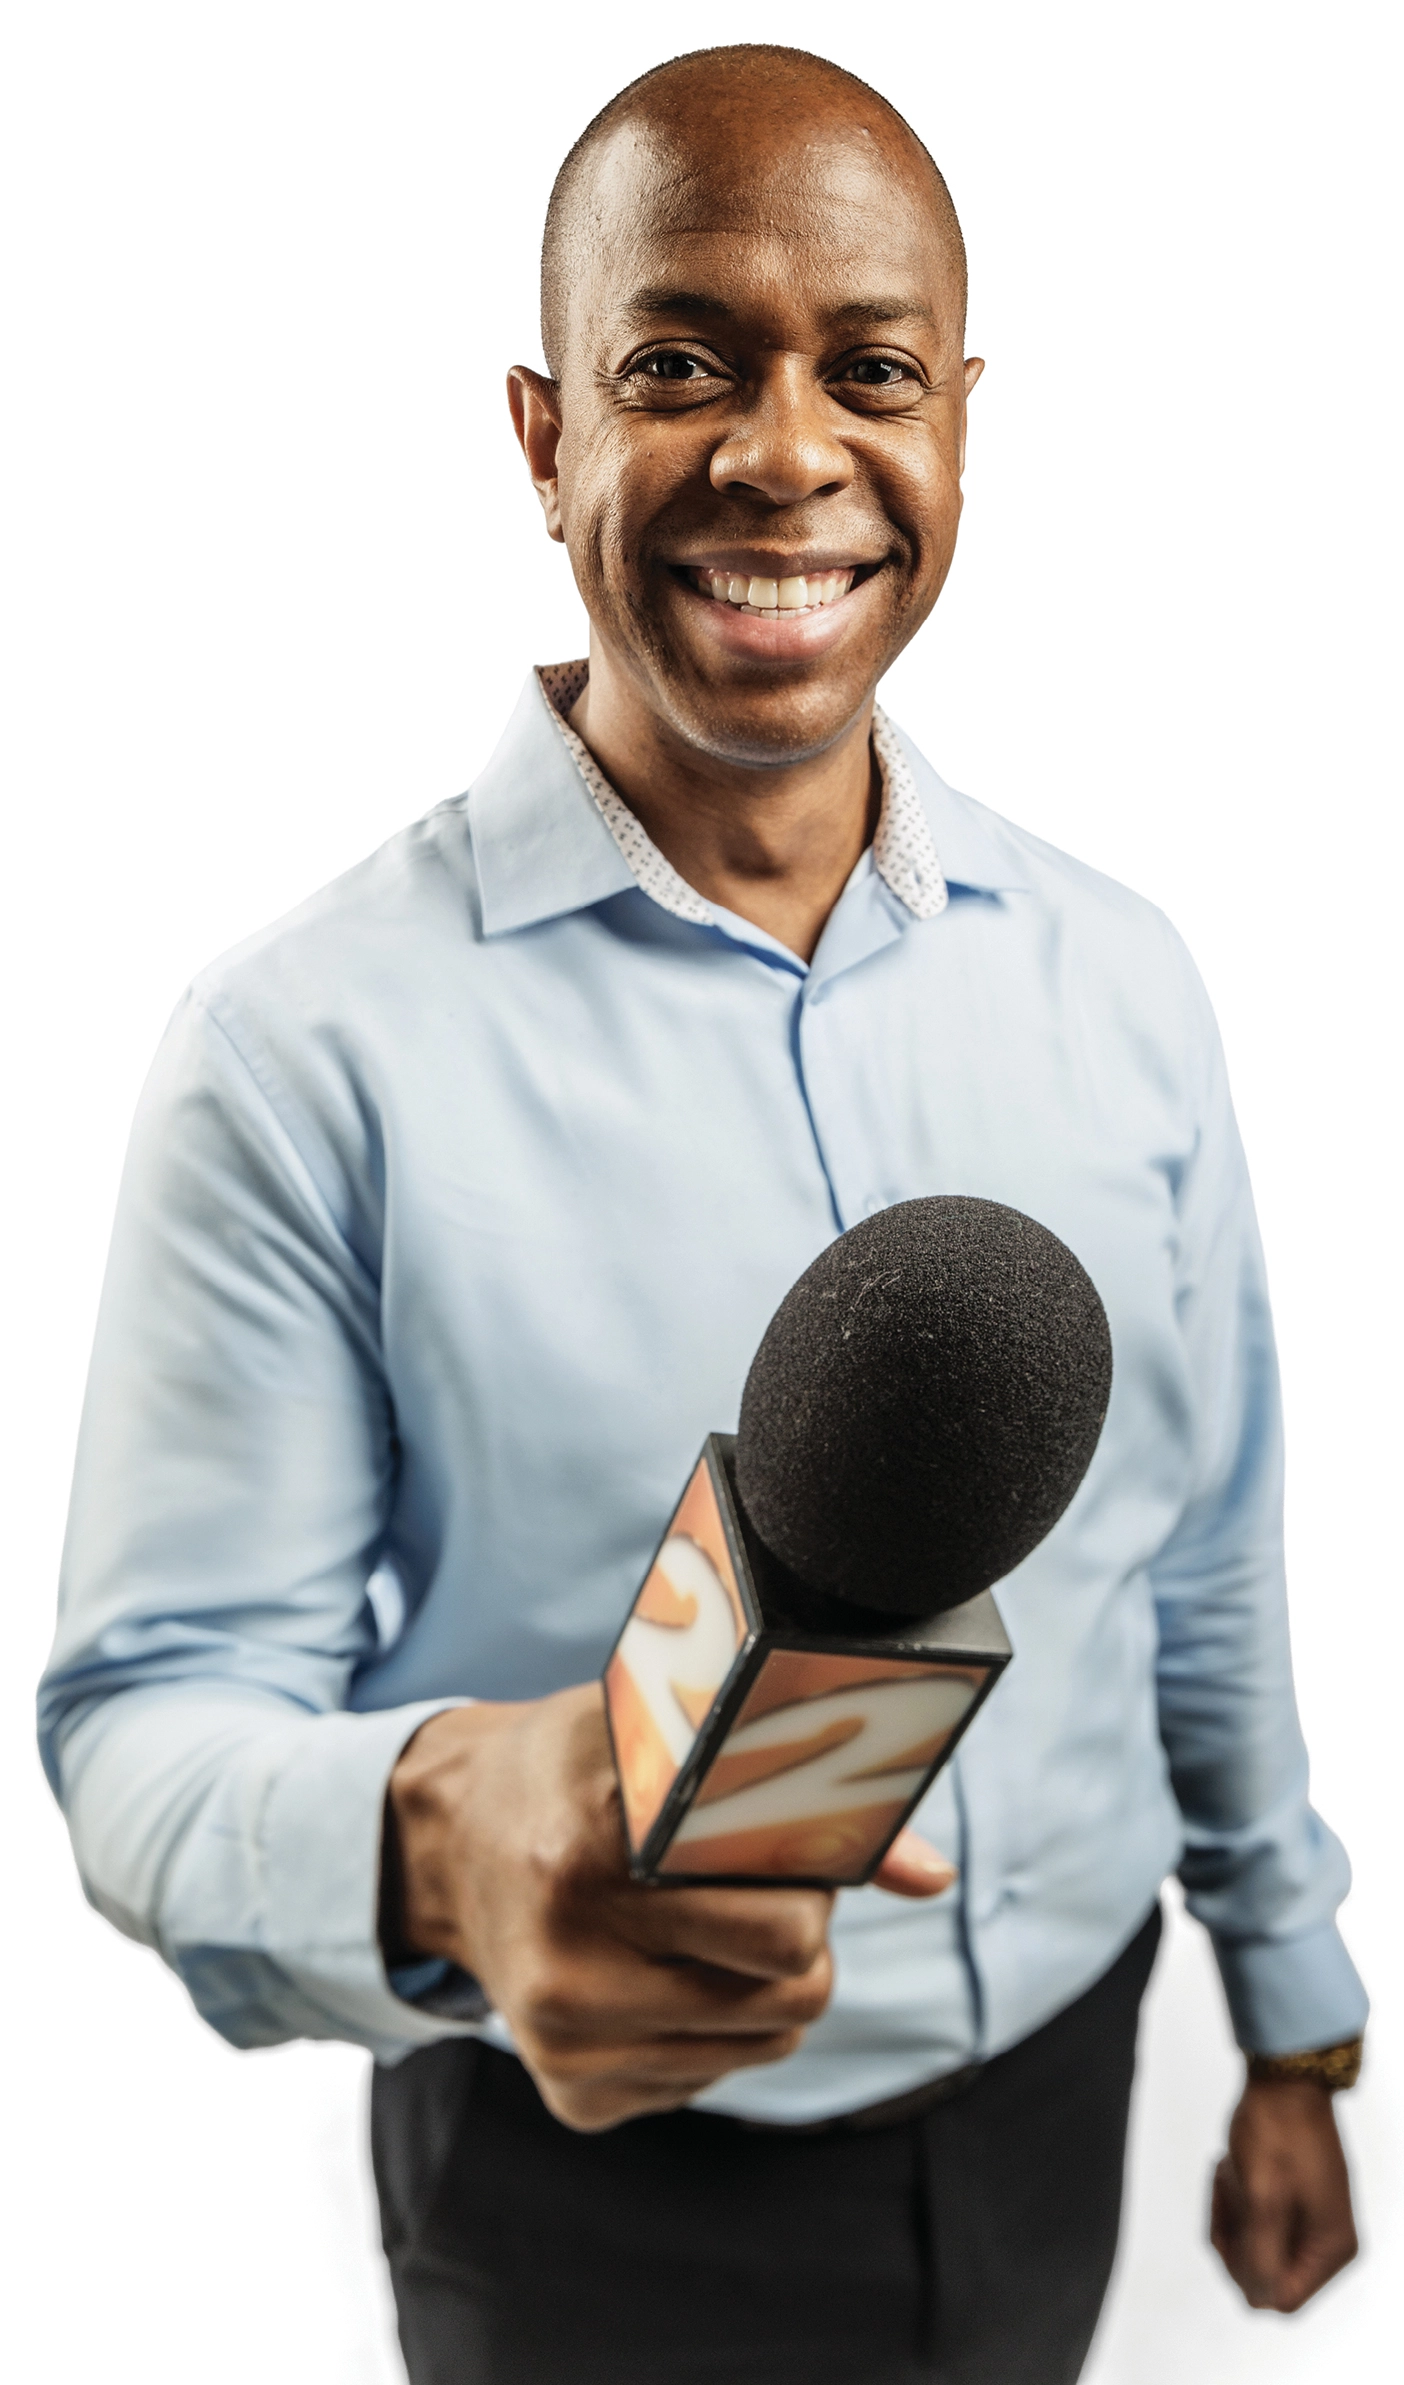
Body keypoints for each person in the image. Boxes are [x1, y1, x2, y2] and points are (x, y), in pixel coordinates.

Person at [40, 42, 1364, 2385]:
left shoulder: (1128, 977)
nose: (785, 453)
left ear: (964, 421)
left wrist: (1292, 2016)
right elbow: (149, 1727)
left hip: (1064, 2086)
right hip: (582, 2199)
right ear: (542, 437)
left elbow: (1205, 1551)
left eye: (870, 371)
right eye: (681, 365)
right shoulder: (297, 1052)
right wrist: (447, 1829)